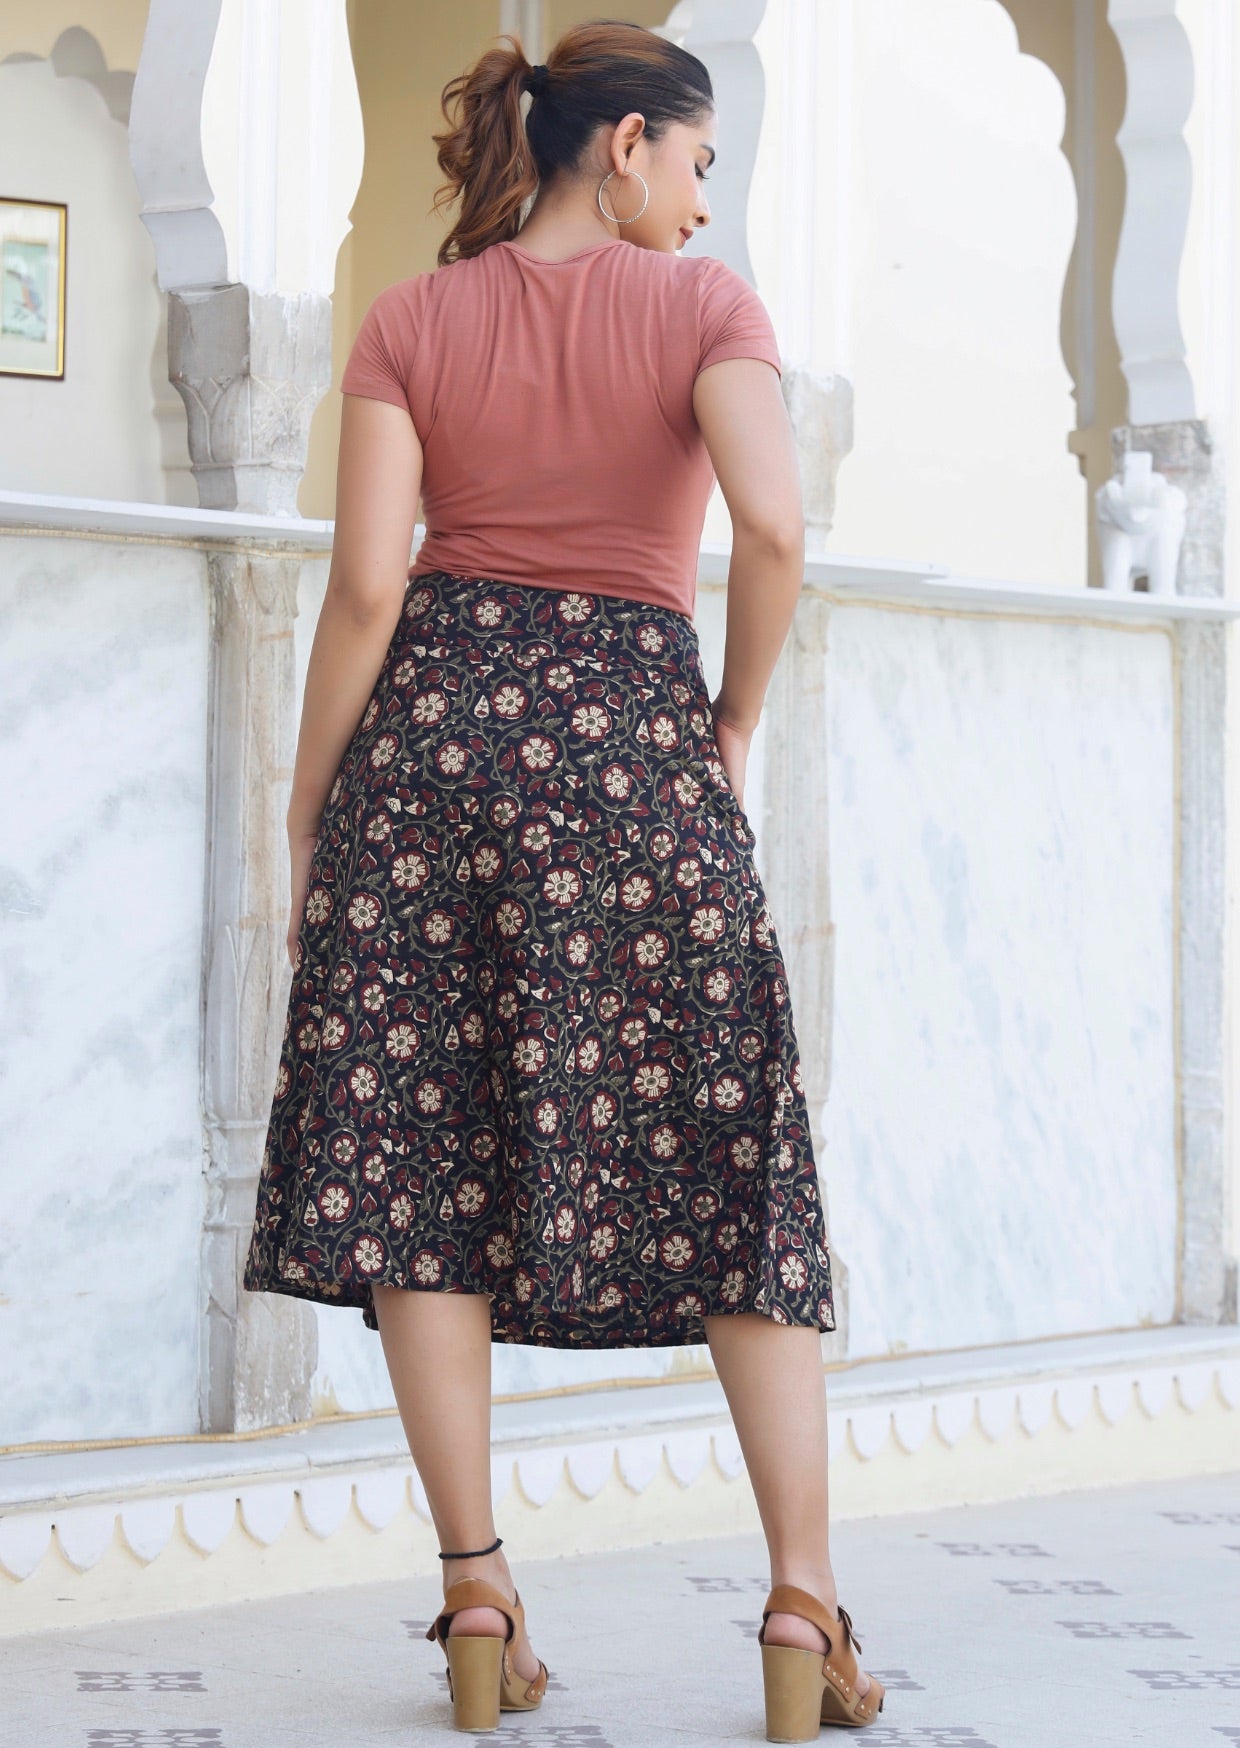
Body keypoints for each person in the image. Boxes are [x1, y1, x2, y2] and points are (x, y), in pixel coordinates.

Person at [242, 18, 883, 1740]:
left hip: (430, 756)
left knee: (420, 1171)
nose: (700, 199)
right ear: (625, 147)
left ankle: (473, 1588)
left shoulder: (411, 318)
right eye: (695, 162)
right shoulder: (706, 309)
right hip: (630, 758)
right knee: (734, 1161)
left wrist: (311, 808)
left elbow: (367, 588)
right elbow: (774, 529)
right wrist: (730, 713)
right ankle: (802, 1612)